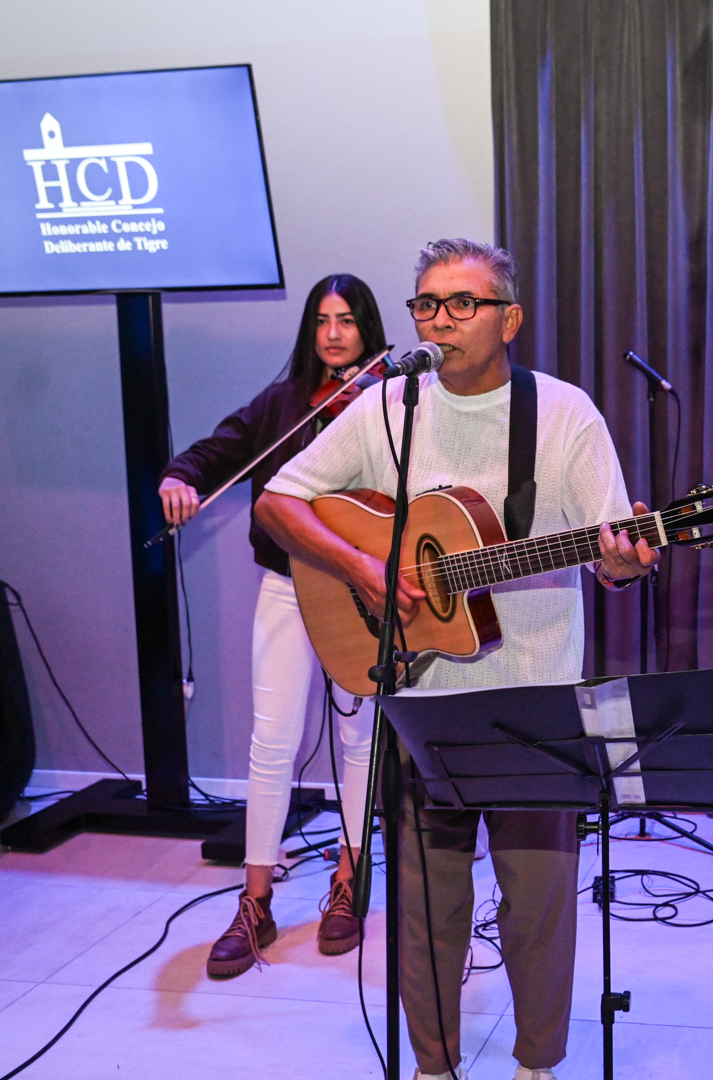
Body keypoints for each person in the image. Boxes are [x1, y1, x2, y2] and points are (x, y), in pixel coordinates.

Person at [257, 239, 656, 1080]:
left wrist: (625, 559)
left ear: (509, 319)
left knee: (537, 902)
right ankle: (433, 1065)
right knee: (425, 903)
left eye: (463, 303)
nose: (441, 320)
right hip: (420, 696)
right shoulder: (388, 407)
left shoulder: (564, 414)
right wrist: (363, 566)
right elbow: (279, 500)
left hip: (535, 696)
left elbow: (612, 556)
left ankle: (537, 1064)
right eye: (427, 304)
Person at [158, 274, 388, 979]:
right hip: (287, 587)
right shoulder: (283, 402)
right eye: (321, 320)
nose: (333, 334)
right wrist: (179, 477)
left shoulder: (390, 398)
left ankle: (349, 880)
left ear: (368, 328)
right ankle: (254, 900)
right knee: (271, 741)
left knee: (359, 739)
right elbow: (215, 452)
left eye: (346, 320)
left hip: (360, 590)